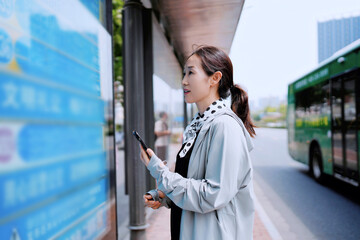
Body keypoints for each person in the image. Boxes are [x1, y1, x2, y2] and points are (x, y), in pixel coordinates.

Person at [139, 45, 256, 240]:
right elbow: (194, 181)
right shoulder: (198, 125)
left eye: (191, 73)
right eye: (184, 73)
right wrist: (165, 196)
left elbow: (212, 194)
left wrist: (160, 172)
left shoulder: (224, 126)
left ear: (215, 78)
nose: (184, 81)